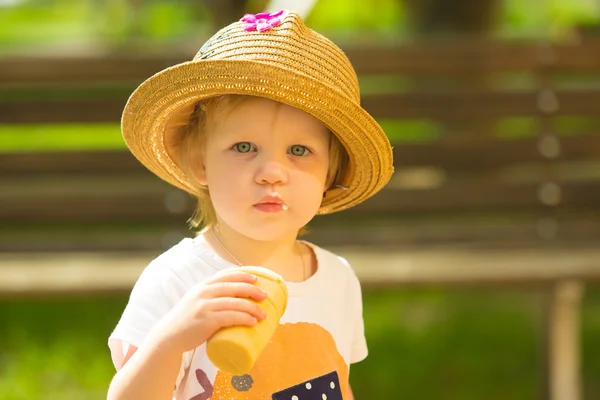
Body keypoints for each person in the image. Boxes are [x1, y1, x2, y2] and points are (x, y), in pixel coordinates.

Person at [107, 9, 393, 400]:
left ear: (329, 175)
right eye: (244, 147)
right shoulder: (178, 279)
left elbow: (338, 383)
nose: (272, 172)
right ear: (201, 163)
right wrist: (173, 337)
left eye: (299, 150)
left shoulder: (336, 278)